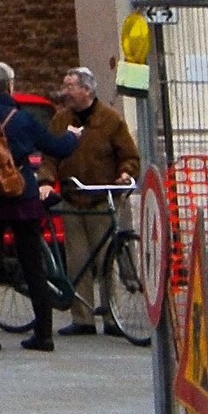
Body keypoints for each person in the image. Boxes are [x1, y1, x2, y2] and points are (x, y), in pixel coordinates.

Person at [0, 62, 76, 351]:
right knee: (33, 265)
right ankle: (44, 334)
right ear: (10, 85)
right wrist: (72, 135)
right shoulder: (22, 119)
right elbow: (57, 147)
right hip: (22, 198)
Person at [52, 65, 140, 334]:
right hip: (73, 198)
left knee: (106, 261)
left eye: (70, 86)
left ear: (86, 90)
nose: (65, 92)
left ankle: (112, 316)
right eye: (65, 86)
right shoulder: (60, 120)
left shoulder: (110, 120)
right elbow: (49, 155)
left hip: (102, 198)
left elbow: (129, 155)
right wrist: (45, 182)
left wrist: (125, 174)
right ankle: (83, 318)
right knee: (78, 261)